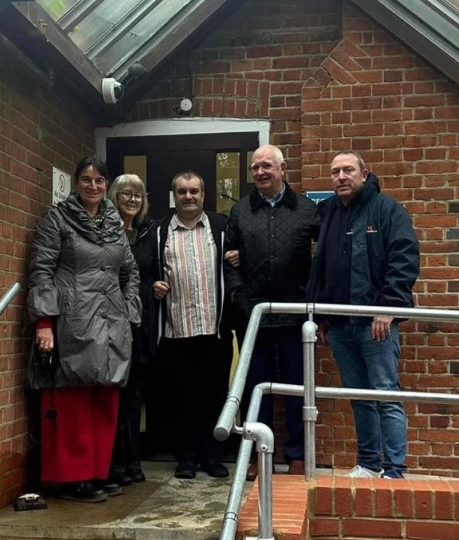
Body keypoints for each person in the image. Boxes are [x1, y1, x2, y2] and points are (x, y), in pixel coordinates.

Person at [26, 156, 142, 502]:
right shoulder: (56, 220)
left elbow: (130, 273)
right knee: (73, 400)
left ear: (107, 185)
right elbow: (41, 271)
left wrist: (130, 312)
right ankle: (73, 478)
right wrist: (44, 322)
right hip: (73, 322)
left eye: (100, 181)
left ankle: (97, 472)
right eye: (87, 180)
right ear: (76, 183)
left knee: (105, 400)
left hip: (112, 324)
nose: (93, 186)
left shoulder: (115, 225)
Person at [307, 151, 419, 479]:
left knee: (385, 393)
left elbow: (404, 258)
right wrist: (323, 315)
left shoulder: (387, 209)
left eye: (348, 170)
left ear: (364, 174)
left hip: (376, 324)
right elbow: (323, 267)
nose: (341, 177)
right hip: (340, 325)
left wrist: (387, 309)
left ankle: (395, 469)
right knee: (359, 396)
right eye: (335, 172)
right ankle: (369, 463)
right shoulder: (328, 213)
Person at [224, 144, 320, 479]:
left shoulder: (307, 210)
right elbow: (229, 258)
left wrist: (311, 301)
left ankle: (297, 456)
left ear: (282, 168)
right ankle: (256, 455)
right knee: (255, 390)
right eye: (255, 168)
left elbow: (322, 260)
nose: (260, 173)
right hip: (254, 317)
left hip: (295, 316)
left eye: (267, 166)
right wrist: (239, 297)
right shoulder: (240, 212)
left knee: (297, 388)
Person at [142, 170, 234, 479]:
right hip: (175, 330)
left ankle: (213, 456)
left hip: (214, 329)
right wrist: (153, 284)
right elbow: (144, 271)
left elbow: (239, 263)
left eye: (194, 191)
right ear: (174, 196)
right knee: (181, 398)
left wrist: (238, 257)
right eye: (182, 191)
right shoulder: (159, 231)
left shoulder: (222, 228)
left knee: (214, 395)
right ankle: (187, 457)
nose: (188, 196)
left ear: (204, 195)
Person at [108, 174, 156, 486]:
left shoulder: (147, 232)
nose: (132, 200)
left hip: (141, 325)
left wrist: (156, 285)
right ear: (114, 196)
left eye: (138, 195)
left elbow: (148, 274)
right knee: (115, 397)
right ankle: (112, 463)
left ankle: (133, 462)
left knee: (135, 398)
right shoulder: (105, 231)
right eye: (126, 194)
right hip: (112, 325)